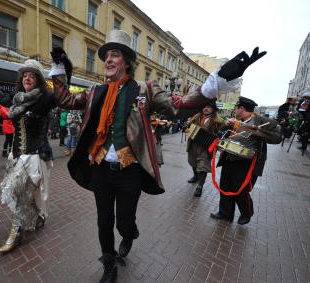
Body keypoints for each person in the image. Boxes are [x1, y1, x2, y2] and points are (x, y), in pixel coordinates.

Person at [49, 29, 266, 283]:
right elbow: (64, 100)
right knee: (104, 221)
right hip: (100, 169)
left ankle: (128, 233)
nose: (108, 59)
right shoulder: (96, 92)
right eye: (106, 55)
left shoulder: (145, 90)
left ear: (126, 61)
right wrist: (58, 67)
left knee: (124, 223)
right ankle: (109, 264)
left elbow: (180, 106)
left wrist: (218, 80)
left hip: (129, 171)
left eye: (114, 55)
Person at [0, 59, 55, 254]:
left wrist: (60, 70)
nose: (27, 78)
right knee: (21, 193)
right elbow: (1, 98)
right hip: (16, 157)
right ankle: (37, 215)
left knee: (19, 192)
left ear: (39, 80)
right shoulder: (18, 98)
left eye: (32, 75)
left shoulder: (43, 100)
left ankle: (16, 234)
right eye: (25, 75)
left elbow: (57, 96)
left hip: (34, 157)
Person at [210, 96, 281, 225]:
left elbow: (277, 138)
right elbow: (220, 133)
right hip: (228, 157)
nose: (235, 111)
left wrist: (257, 131)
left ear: (241, 108)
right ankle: (225, 214)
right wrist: (226, 125)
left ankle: (246, 213)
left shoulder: (260, 121)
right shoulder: (235, 120)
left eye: (236, 108)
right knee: (225, 185)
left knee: (240, 189)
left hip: (245, 162)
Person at [185, 101, 224, 197]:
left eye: (209, 107)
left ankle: (200, 186)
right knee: (192, 162)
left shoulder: (217, 122)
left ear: (213, 110)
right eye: (204, 106)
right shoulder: (196, 117)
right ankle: (195, 176)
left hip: (206, 148)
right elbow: (187, 127)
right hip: (193, 145)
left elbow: (222, 133)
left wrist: (218, 135)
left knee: (203, 167)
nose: (206, 108)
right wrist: (186, 129)